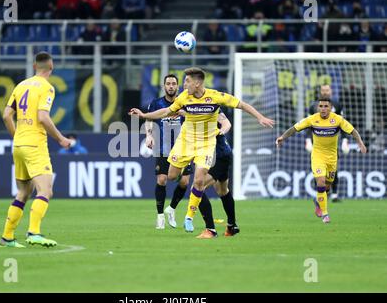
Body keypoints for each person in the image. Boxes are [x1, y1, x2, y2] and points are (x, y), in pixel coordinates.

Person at [129, 67, 274, 235]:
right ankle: (217, 220)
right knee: (171, 176)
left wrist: (260, 117)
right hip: (185, 142)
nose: (184, 85)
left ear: (197, 83)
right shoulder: (184, 97)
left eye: (187, 81)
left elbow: (241, 104)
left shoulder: (215, 96)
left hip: (205, 144)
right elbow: (166, 111)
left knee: (198, 181)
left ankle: (190, 217)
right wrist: (144, 116)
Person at [0, 52, 73, 248]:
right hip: (34, 145)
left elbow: (7, 115)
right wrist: (60, 138)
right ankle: (34, 232)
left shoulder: (21, 85)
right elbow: (42, 117)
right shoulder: (47, 88)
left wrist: (17, 135)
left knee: (23, 192)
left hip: (19, 144)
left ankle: (7, 236)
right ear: (51, 67)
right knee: (45, 190)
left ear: (34, 66)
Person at [276, 96, 367, 224]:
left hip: (332, 157)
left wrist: (360, 143)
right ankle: (325, 214)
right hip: (318, 156)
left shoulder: (337, 119)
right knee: (320, 182)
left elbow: (353, 131)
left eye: (326, 106)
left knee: (327, 186)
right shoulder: (312, 119)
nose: (323, 109)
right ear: (318, 107)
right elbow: (294, 128)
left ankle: (318, 201)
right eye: (321, 106)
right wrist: (282, 137)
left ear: (330, 108)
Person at [145, 74, 192, 229]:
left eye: (173, 84)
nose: (171, 86)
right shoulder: (156, 103)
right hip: (162, 148)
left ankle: (171, 209)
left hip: (182, 148)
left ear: (177, 87)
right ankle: (160, 216)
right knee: (162, 180)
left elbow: (194, 118)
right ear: (164, 86)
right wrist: (149, 135)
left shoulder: (184, 103)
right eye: (168, 83)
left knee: (184, 182)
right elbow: (149, 120)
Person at [196, 110, 240, 239]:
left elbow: (227, 124)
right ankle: (232, 226)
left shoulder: (210, 106)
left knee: (198, 187)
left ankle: (210, 230)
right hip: (216, 155)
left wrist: (221, 130)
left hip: (218, 156)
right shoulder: (187, 107)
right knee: (222, 191)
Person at [305, 84, 347, 202]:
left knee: (332, 169)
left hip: (332, 143)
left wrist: (344, 139)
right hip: (317, 143)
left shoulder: (337, 105)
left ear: (331, 91)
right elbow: (308, 125)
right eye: (323, 90)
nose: (325, 92)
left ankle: (334, 194)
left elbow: (342, 124)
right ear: (320, 91)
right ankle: (320, 194)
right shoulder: (313, 106)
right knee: (318, 170)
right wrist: (308, 140)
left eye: (327, 90)